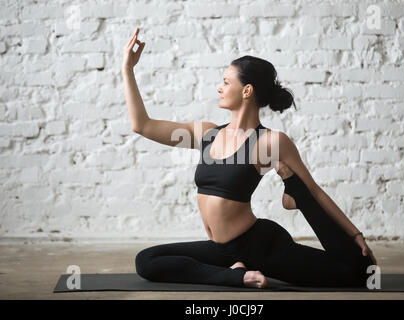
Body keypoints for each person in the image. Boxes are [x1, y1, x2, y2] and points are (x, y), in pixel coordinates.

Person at [122, 28, 377, 289]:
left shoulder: (270, 141)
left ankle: (293, 194)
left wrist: (354, 233)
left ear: (246, 91)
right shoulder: (207, 133)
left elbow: (316, 191)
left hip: (259, 246)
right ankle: (238, 274)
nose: (219, 87)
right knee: (147, 260)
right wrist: (128, 70)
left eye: (226, 82)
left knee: (361, 275)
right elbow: (142, 125)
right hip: (222, 250)